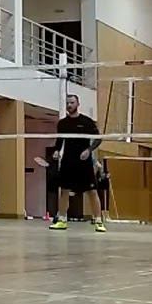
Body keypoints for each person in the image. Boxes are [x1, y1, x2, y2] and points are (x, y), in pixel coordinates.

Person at [49, 94, 105, 233]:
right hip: (68, 161)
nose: (69, 105)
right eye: (68, 103)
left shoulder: (87, 122)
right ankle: (62, 220)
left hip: (84, 162)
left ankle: (98, 221)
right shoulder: (62, 123)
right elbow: (60, 141)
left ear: (78, 104)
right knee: (64, 191)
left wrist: (89, 150)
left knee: (92, 191)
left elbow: (98, 139)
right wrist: (56, 151)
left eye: (72, 102)